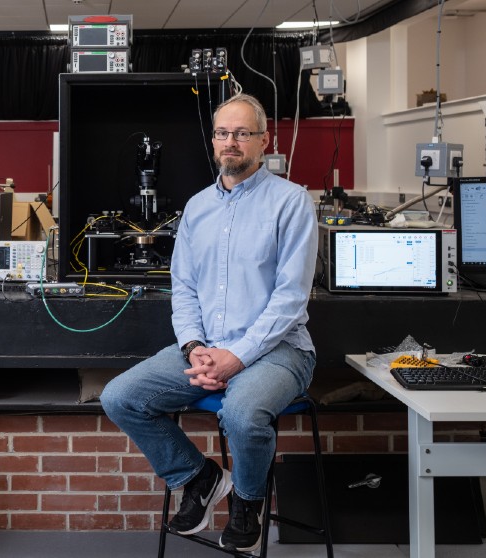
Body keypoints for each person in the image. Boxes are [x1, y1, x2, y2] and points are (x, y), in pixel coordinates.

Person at [100, 93, 317, 554]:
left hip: (281, 350)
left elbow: (291, 299)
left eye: (242, 133)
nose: (231, 143)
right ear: (213, 141)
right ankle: (198, 477)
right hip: (208, 346)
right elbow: (184, 289)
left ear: (263, 141)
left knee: (241, 413)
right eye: (223, 133)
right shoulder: (197, 208)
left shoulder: (292, 202)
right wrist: (193, 346)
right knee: (120, 396)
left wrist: (235, 357)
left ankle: (248, 501)